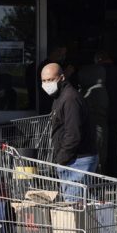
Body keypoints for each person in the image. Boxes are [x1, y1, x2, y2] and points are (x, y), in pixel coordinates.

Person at [40, 62, 97, 199]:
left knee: (74, 204)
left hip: (77, 160)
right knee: (82, 204)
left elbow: (73, 134)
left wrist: (61, 159)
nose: (47, 84)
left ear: (62, 78)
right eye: (44, 81)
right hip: (73, 159)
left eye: (51, 80)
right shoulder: (59, 97)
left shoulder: (70, 99)